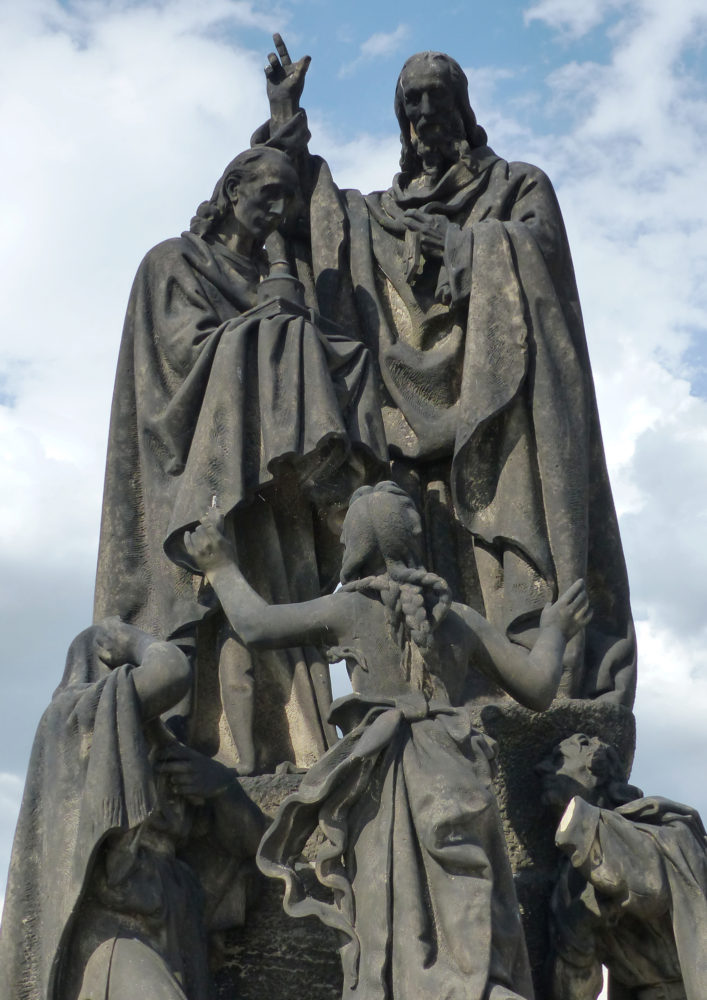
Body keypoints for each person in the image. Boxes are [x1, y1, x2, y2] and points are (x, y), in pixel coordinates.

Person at [254, 36, 636, 707]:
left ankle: (524, 688)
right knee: (421, 547)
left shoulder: (516, 185)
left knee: (507, 553)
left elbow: (542, 260)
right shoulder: (376, 214)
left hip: (499, 403)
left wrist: (463, 246)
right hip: (401, 416)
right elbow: (302, 216)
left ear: (462, 107)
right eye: (410, 101)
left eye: (435, 97)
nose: (423, 111)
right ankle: (433, 700)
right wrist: (285, 122)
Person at [183, 481, 592, 1000]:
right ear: (412, 540)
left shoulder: (349, 609)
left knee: (385, 894)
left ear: (353, 546)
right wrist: (553, 628)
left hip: (382, 772)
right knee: (465, 890)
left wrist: (220, 566)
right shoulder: (457, 616)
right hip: (454, 766)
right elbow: (536, 686)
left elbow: (257, 625)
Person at [94, 144, 388, 773]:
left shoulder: (270, 280)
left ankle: (298, 745)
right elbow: (182, 359)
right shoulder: (172, 263)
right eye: (269, 194)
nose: (280, 211)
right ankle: (219, 752)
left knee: (342, 351)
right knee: (220, 621)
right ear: (231, 191)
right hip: (206, 471)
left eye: (289, 197)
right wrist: (275, 330)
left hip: (271, 488)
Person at [0, 617, 264, 1000]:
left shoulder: (162, 750)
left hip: (175, 927)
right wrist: (136, 641)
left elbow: (256, 844)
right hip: (116, 935)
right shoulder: (74, 719)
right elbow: (171, 671)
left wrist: (222, 787)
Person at [537, 733, 707, 1000]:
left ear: (594, 772)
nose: (543, 769)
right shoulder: (570, 879)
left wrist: (579, 821)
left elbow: (650, 888)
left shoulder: (657, 827)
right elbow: (571, 993)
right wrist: (578, 933)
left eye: (559, 760)